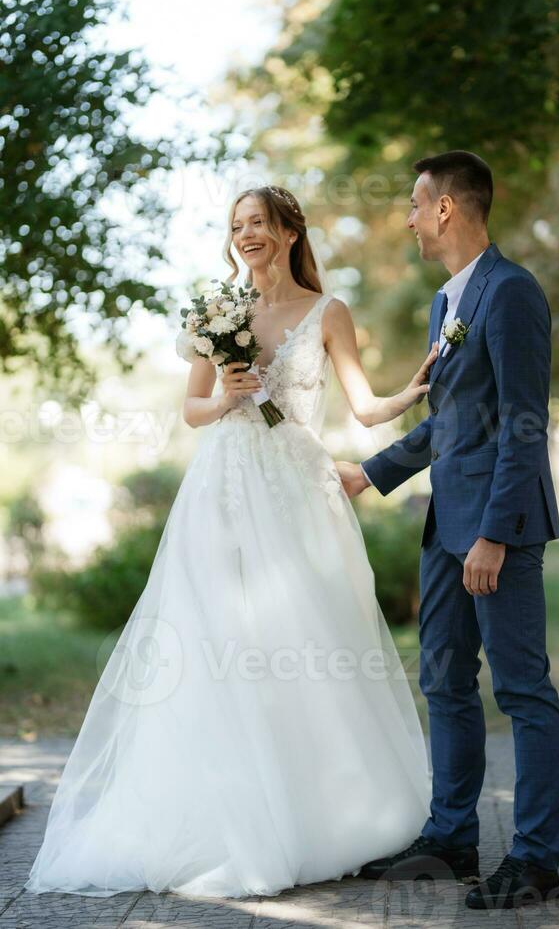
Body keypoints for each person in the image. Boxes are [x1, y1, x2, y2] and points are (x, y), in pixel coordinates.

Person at [24, 184, 438, 900]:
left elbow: (363, 404)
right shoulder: (218, 310)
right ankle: (229, 815)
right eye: (236, 224)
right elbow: (190, 409)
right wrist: (225, 397)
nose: (245, 234)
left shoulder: (327, 311)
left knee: (307, 639)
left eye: (258, 223)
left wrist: (409, 394)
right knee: (219, 640)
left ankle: (325, 809)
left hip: (300, 494)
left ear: (287, 232)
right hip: (222, 489)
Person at [336, 152, 559, 911]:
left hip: (496, 530)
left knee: (522, 689)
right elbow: (452, 422)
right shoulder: (447, 303)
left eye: (413, 204)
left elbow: (523, 424)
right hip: (445, 526)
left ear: (445, 209)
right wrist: (369, 473)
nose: (405, 218)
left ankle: (533, 860)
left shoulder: (511, 292)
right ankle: (450, 840)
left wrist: (496, 534)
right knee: (442, 682)